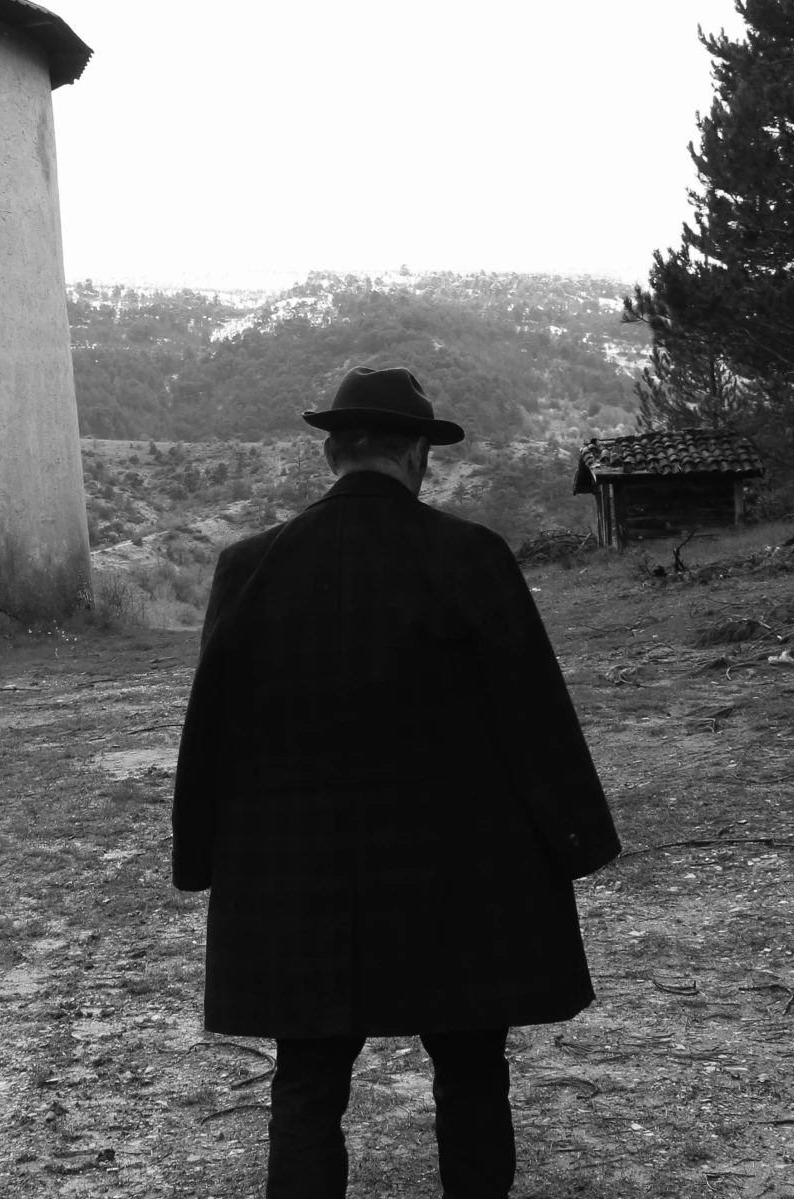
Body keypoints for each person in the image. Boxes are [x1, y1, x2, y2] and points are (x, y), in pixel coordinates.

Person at [171, 365, 620, 1199]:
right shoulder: (472, 556)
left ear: (333, 454)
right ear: (418, 454)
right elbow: (535, 714)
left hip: (298, 878)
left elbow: (211, 730)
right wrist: (578, 839)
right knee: (473, 1068)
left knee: (306, 1085)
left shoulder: (248, 565)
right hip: (455, 873)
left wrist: (198, 856)